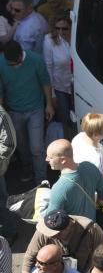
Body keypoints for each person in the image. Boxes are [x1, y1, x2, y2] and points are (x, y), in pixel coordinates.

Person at [0, 40, 54, 184]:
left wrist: (49, 105)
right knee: (22, 146)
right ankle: (27, 168)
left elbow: (45, 83)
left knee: (36, 147)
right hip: (14, 112)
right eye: (10, 65)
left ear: (21, 55)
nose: (14, 67)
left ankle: (41, 181)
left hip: (35, 109)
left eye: (16, 63)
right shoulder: (1, 64)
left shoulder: (35, 60)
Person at [43, 139, 103, 222]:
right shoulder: (90, 167)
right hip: (93, 228)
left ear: (63, 160)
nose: (46, 159)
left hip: (74, 233)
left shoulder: (58, 188)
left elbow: (51, 219)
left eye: (50, 157)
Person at [23, 210, 103, 273]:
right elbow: (29, 256)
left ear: (70, 226)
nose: (50, 236)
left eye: (56, 234)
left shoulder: (91, 229)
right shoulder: (44, 230)